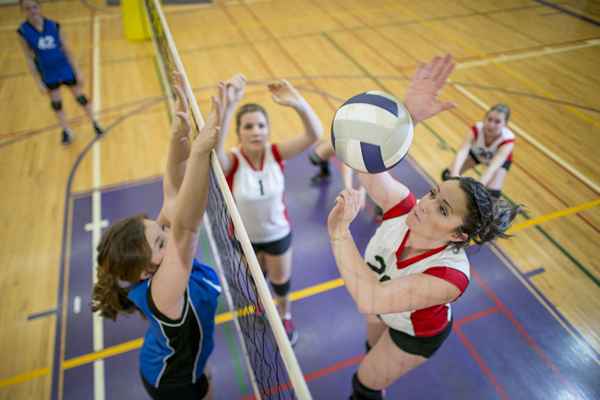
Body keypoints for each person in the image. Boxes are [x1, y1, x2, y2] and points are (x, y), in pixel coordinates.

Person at [326, 55, 520, 400]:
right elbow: (364, 162)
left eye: (442, 209)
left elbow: (368, 296)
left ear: (459, 235)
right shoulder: (404, 206)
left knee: (365, 382)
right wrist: (406, 117)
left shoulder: (448, 277)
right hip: (381, 307)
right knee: (371, 346)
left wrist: (340, 234)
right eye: (433, 193)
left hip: (413, 332)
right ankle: (379, 362)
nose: (425, 204)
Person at [91, 75, 225, 400]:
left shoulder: (158, 259)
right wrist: (200, 152)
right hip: (170, 382)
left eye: (160, 228)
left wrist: (179, 136)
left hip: (188, 360)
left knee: (206, 383)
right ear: (143, 271)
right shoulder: (163, 292)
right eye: (161, 241)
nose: (167, 229)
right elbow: (187, 226)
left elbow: (173, 193)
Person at [215, 74, 323, 345]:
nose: (256, 131)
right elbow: (214, 156)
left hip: (277, 233)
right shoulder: (232, 161)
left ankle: (285, 315)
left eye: (261, 126)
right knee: (255, 281)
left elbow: (314, 135)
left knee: (281, 281)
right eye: (248, 126)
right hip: (244, 238)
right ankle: (263, 306)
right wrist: (228, 107)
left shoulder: (275, 154)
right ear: (239, 132)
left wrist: (297, 103)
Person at [17, 0, 104, 145]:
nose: (32, 11)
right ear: (22, 11)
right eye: (27, 9)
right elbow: (29, 58)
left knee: (81, 98)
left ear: (40, 7)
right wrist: (38, 81)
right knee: (56, 103)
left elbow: (67, 50)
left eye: (34, 7)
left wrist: (77, 71)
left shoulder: (54, 26)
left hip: (64, 68)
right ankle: (66, 130)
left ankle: (95, 123)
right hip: (48, 72)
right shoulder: (23, 32)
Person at [441, 104, 514, 199]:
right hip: (477, 154)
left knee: (492, 194)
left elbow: (492, 168)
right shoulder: (477, 129)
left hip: (497, 163)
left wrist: (478, 187)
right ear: (485, 118)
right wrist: (454, 174)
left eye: (497, 122)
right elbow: (462, 152)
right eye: (489, 119)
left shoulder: (507, 140)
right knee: (447, 175)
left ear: (505, 124)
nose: (491, 125)